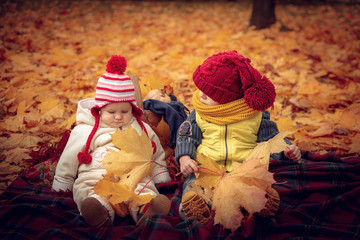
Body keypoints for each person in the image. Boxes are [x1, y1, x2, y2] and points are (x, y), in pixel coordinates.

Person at [175, 50, 301, 224]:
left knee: (252, 188)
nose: (201, 94)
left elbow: (271, 139)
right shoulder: (200, 113)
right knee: (193, 184)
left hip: (244, 168)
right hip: (206, 167)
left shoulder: (255, 115)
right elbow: (186, 136)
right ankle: (196, 208)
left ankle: (260, 207)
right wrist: (184, 157)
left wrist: (287, 149)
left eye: (209, 93)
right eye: (200, 88)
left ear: (230, 99)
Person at [52, 55, 172, 228]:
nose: (118, 116)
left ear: (132, 108)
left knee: (142, 188)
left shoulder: (140, 127)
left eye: (125, 111)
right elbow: (69, 157)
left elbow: (155, 152)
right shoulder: (85, 130)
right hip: (95, 176)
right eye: (111, 112)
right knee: (89, 191)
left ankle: (147, 209)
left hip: (131, 176)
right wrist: (63, 182)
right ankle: (99, 211)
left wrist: (160, 175)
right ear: (99, 109)